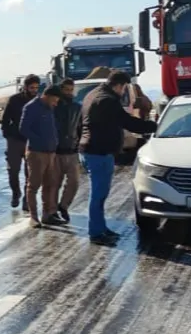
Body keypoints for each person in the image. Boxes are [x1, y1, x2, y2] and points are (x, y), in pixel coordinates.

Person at [79, 71, 158, 244]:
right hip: (99, 152)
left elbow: (80, 122)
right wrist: (154, 127)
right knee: (98, 195)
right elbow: (128, 122)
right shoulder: (107, 100)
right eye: (124, 88)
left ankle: (100, 228)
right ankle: (96, 233)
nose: (123, 92)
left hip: (90, 150)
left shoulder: (92, 95)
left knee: (99, 194)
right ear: (119, 85)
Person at [19, 85, 66, 228]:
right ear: (47, 96)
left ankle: (47, 214)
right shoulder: (31, 107)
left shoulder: (49, 108)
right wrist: (39, 141)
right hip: (36, 152)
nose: (56, 104)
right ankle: (33, 217)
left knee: (50, 184)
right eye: (55, 100)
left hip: (51, 152)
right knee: (34, 185)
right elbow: (23, 128)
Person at [1, 74, 40, 208]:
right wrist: (7, 135)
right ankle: (16, 193)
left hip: (32, 141)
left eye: (36, 87)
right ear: (25, 87)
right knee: (13, 170)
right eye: (31, 87)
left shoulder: (39, 101)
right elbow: (5, 119)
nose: (34, 90)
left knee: (30, 172)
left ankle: (26, 200)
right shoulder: (14, 100)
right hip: (15, 140)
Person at [50, 79, 83, 223]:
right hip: (56, 151)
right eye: (66, 90)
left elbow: (81, 126)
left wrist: (80, 142)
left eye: (71, 90)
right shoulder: (54, 107)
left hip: (72, 149)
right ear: (61, 90)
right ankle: (51, 211)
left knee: (74, 182)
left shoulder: (77, 107)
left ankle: (63, 205)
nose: (69, 93)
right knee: (54, 183)